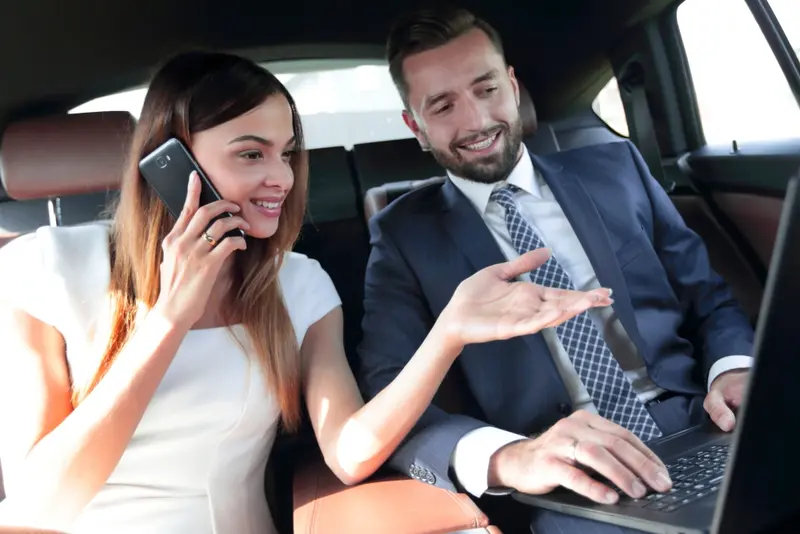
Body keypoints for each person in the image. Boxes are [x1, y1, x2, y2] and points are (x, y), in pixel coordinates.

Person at [0, 51, 611, 534]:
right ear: (171, 160)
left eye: (287, 152)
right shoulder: (46, 269)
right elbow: (44, 505)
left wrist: (448, 331)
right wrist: (169, 318)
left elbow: (348, 452)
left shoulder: (297, 282)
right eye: (250, 154)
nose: (282, 179)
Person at [358, 6, 755, 533]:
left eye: (486, 89)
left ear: (513, 86)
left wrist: (733, 368)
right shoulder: (404, 237)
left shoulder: (619, 169)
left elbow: (708, 299)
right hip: (567, 465)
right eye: (443, 105)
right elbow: (390, 396)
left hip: (702, 423)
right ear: (417, 126)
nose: (476, 122)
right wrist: (510, 457)